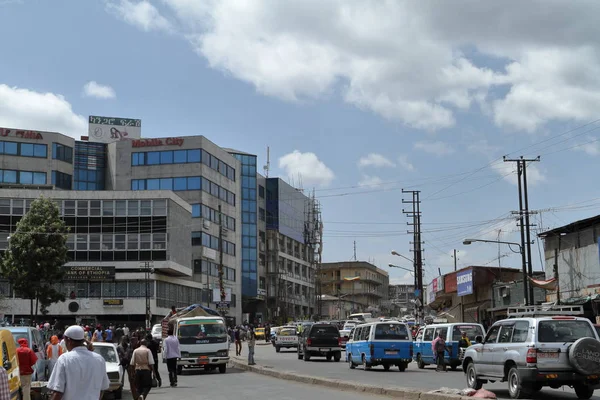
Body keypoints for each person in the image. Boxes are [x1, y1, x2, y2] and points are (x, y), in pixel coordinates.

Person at [47, 325, 110, 400]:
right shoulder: (99, 359)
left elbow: (58, 392)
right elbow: (103, 388)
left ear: (68, 340)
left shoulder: (64, 359)